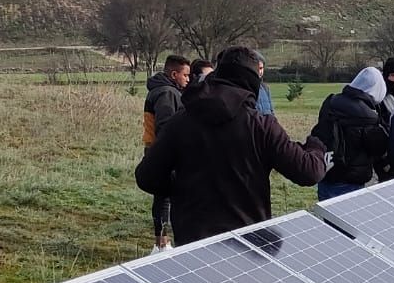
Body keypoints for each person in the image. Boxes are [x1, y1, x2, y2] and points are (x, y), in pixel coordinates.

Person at [136, 46, 327, 244]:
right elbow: (309, 171)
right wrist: (316, 145)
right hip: (248, 244)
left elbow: (146, 176)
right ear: (253, 83)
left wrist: (181, 189)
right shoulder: (261, 126)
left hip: (193, 242)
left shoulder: (180, 121)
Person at [310, 66, 390, 199]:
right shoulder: (368, 117)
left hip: (326, 174)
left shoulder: (331, 102)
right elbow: (379, 147)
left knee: (327, 218)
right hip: (350, 180)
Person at [141, 55, 190, 251]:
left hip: (156, 149)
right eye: (185, 75)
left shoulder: (161, 90)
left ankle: (162, 241)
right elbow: (166, 125)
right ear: (174, 74)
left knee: (164, 196)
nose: (188, 79)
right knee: (166, 197)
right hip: (163, 151)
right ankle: (162, 243)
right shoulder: (168, 93)